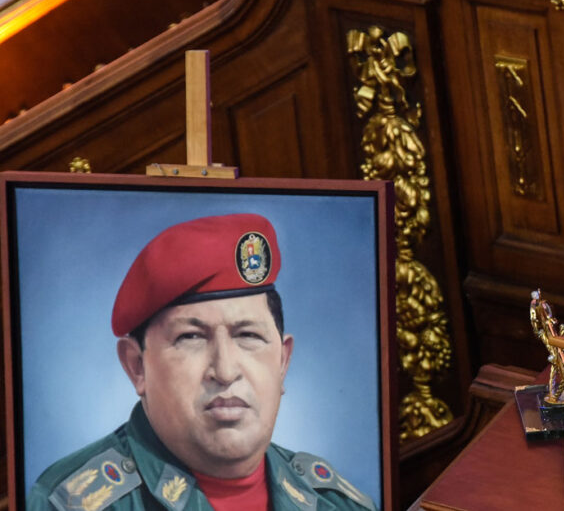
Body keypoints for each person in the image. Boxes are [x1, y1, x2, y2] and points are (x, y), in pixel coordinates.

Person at [28, 214, 376, 511]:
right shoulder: (65, 504)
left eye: (248, 336)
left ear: (282, 362)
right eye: (191, 337)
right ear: (137, 366)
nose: (225, 371)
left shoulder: (336, 502)